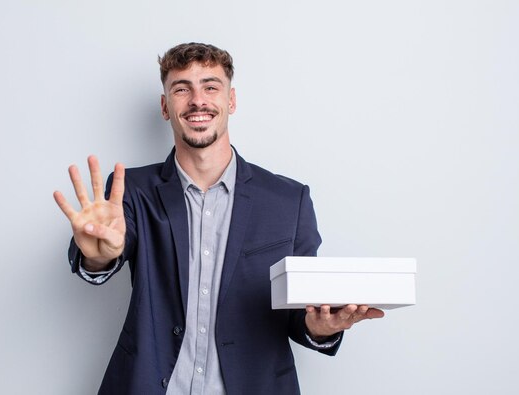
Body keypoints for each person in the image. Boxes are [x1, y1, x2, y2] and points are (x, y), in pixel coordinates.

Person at [53, 42, 384, 395]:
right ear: (166, 107)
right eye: (182, 89)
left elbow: (299, 310)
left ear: (231, 100)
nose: (198, 100)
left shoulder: (288, 200)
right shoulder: (133, 189)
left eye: (211, 87)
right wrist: (99, 254)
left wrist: (322, 327)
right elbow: (107, 250)